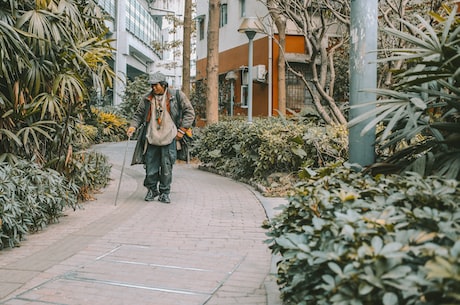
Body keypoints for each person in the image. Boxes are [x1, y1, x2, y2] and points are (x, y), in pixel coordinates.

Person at [127, 72, 195, 203]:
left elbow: (190, 112)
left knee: (166, 168)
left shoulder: (176, 96)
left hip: (169, 138)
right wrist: (132, 126)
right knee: (150, 168)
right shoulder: (147, 98)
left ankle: (165, 192)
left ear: (164, 85)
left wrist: (182, 131)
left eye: (156, 85)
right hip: (151, 138)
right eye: (152, 86)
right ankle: (152, 190)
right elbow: (138, 115)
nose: (153, 88)